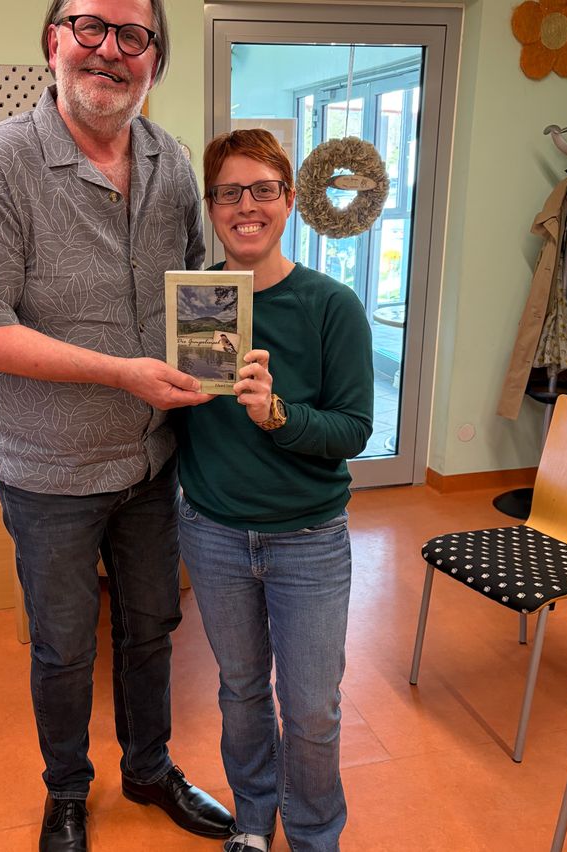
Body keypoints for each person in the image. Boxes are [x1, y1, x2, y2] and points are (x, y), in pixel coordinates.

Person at [0, 2, 234, 850]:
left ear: (154, 60)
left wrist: (256, 326)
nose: (110, 51)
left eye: (133, 37)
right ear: (53, 41)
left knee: (153, 630)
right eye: (90, 27)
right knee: (64, 650)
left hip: (153, 464)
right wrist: (117, 371)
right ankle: (67, 789)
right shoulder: (0, 161)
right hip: (50, 474)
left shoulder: (170, 160)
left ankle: (148, 769)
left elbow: (198, 290)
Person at [175, 129, 374, 852]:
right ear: (212, 206)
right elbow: (179, 419)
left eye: (263, 189)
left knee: (313, 707)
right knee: (241, 690)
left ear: (289, 200)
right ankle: (254, 821)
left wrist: (277, 415)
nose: (246, 205)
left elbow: (352, 428)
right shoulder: (194, 299)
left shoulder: (331, 304)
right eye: (229, 192)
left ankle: (316, 835)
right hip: (215, 532)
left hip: (310, 541)